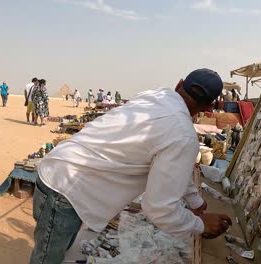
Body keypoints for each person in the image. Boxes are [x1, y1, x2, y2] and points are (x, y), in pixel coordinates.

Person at [30, 69, 232, 263]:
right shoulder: (183, 134)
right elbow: (159, 208)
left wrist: (194, 201)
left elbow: (172, 168)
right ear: (208, 108)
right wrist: (200, 224)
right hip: (65, 186)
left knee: (60, 250)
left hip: (63, 172)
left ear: (179, 84)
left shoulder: (157, 96)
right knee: (47, 259)